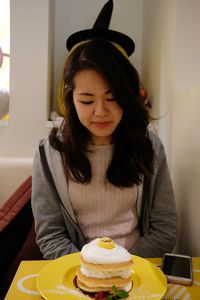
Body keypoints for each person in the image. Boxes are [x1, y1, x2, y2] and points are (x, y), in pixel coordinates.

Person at [31, 1, 178, 260]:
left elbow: (165, 230)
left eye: (113, 98)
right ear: (70, 99)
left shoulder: (149, 147)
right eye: (87, 100)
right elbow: (50, 235)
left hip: (137, 271)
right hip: (77, 274)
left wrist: (120, 267)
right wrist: (91, 272)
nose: (100, 111)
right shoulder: (49, 155)